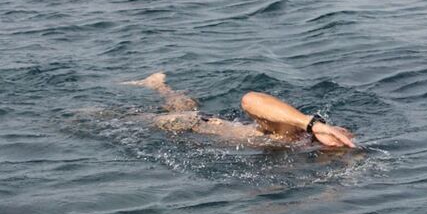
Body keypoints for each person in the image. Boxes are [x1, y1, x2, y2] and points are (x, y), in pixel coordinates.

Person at [122, 72, 357, 149]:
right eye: (339, 134)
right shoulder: (288, 131)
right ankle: (158, 85)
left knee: (183, 106)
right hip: (191, 125)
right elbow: (250, 99)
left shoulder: (299, 144)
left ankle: (158, 84)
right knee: (123, 120)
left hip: (208, 124)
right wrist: (312, 124)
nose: (341, 136)